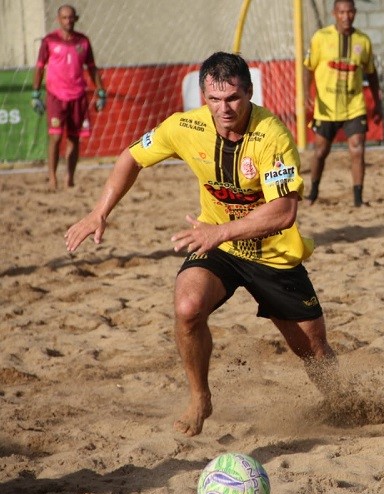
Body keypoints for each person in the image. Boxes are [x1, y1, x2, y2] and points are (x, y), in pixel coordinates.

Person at [65, 52, 338, 437]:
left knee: (314, 351)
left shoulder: (272, 135)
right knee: (187, 308)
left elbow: (283, 212)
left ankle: (345, 403)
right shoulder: (185, 126)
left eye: (232, 99)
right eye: (214, 99)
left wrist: (219, 232)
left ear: (249, 93)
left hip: (272, 253)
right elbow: (130, 157)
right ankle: (199, 397)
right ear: (202, 96)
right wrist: (99, 212)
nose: (223, 108)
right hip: (219, 247)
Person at [303, 0, 383, 207]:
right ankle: (313, 192)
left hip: (354, 106)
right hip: (326, 107)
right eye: (342, 12)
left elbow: (371, 73)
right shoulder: (321, 38)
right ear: (334, 14)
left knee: (357, 149)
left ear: (355, 13)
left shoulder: (363, 41)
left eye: (350, 12)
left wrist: (377, 102)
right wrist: (305, 93)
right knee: (320, 152)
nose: (346, 16)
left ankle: (358, 198)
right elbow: (308, 67)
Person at [32, 4, 106, 190]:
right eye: (64, 18)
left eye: (71, 17)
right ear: (58, 20)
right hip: (56, 96)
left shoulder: (83, 42)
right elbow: (40, 67)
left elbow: (92, 67)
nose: (68, 21)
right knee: (56, 138)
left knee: (74, 138)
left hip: (78, 96)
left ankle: (69, 178)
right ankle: (52, 178)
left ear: (76, 19)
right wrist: (35, 93)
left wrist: (101, 90)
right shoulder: (49, 41)